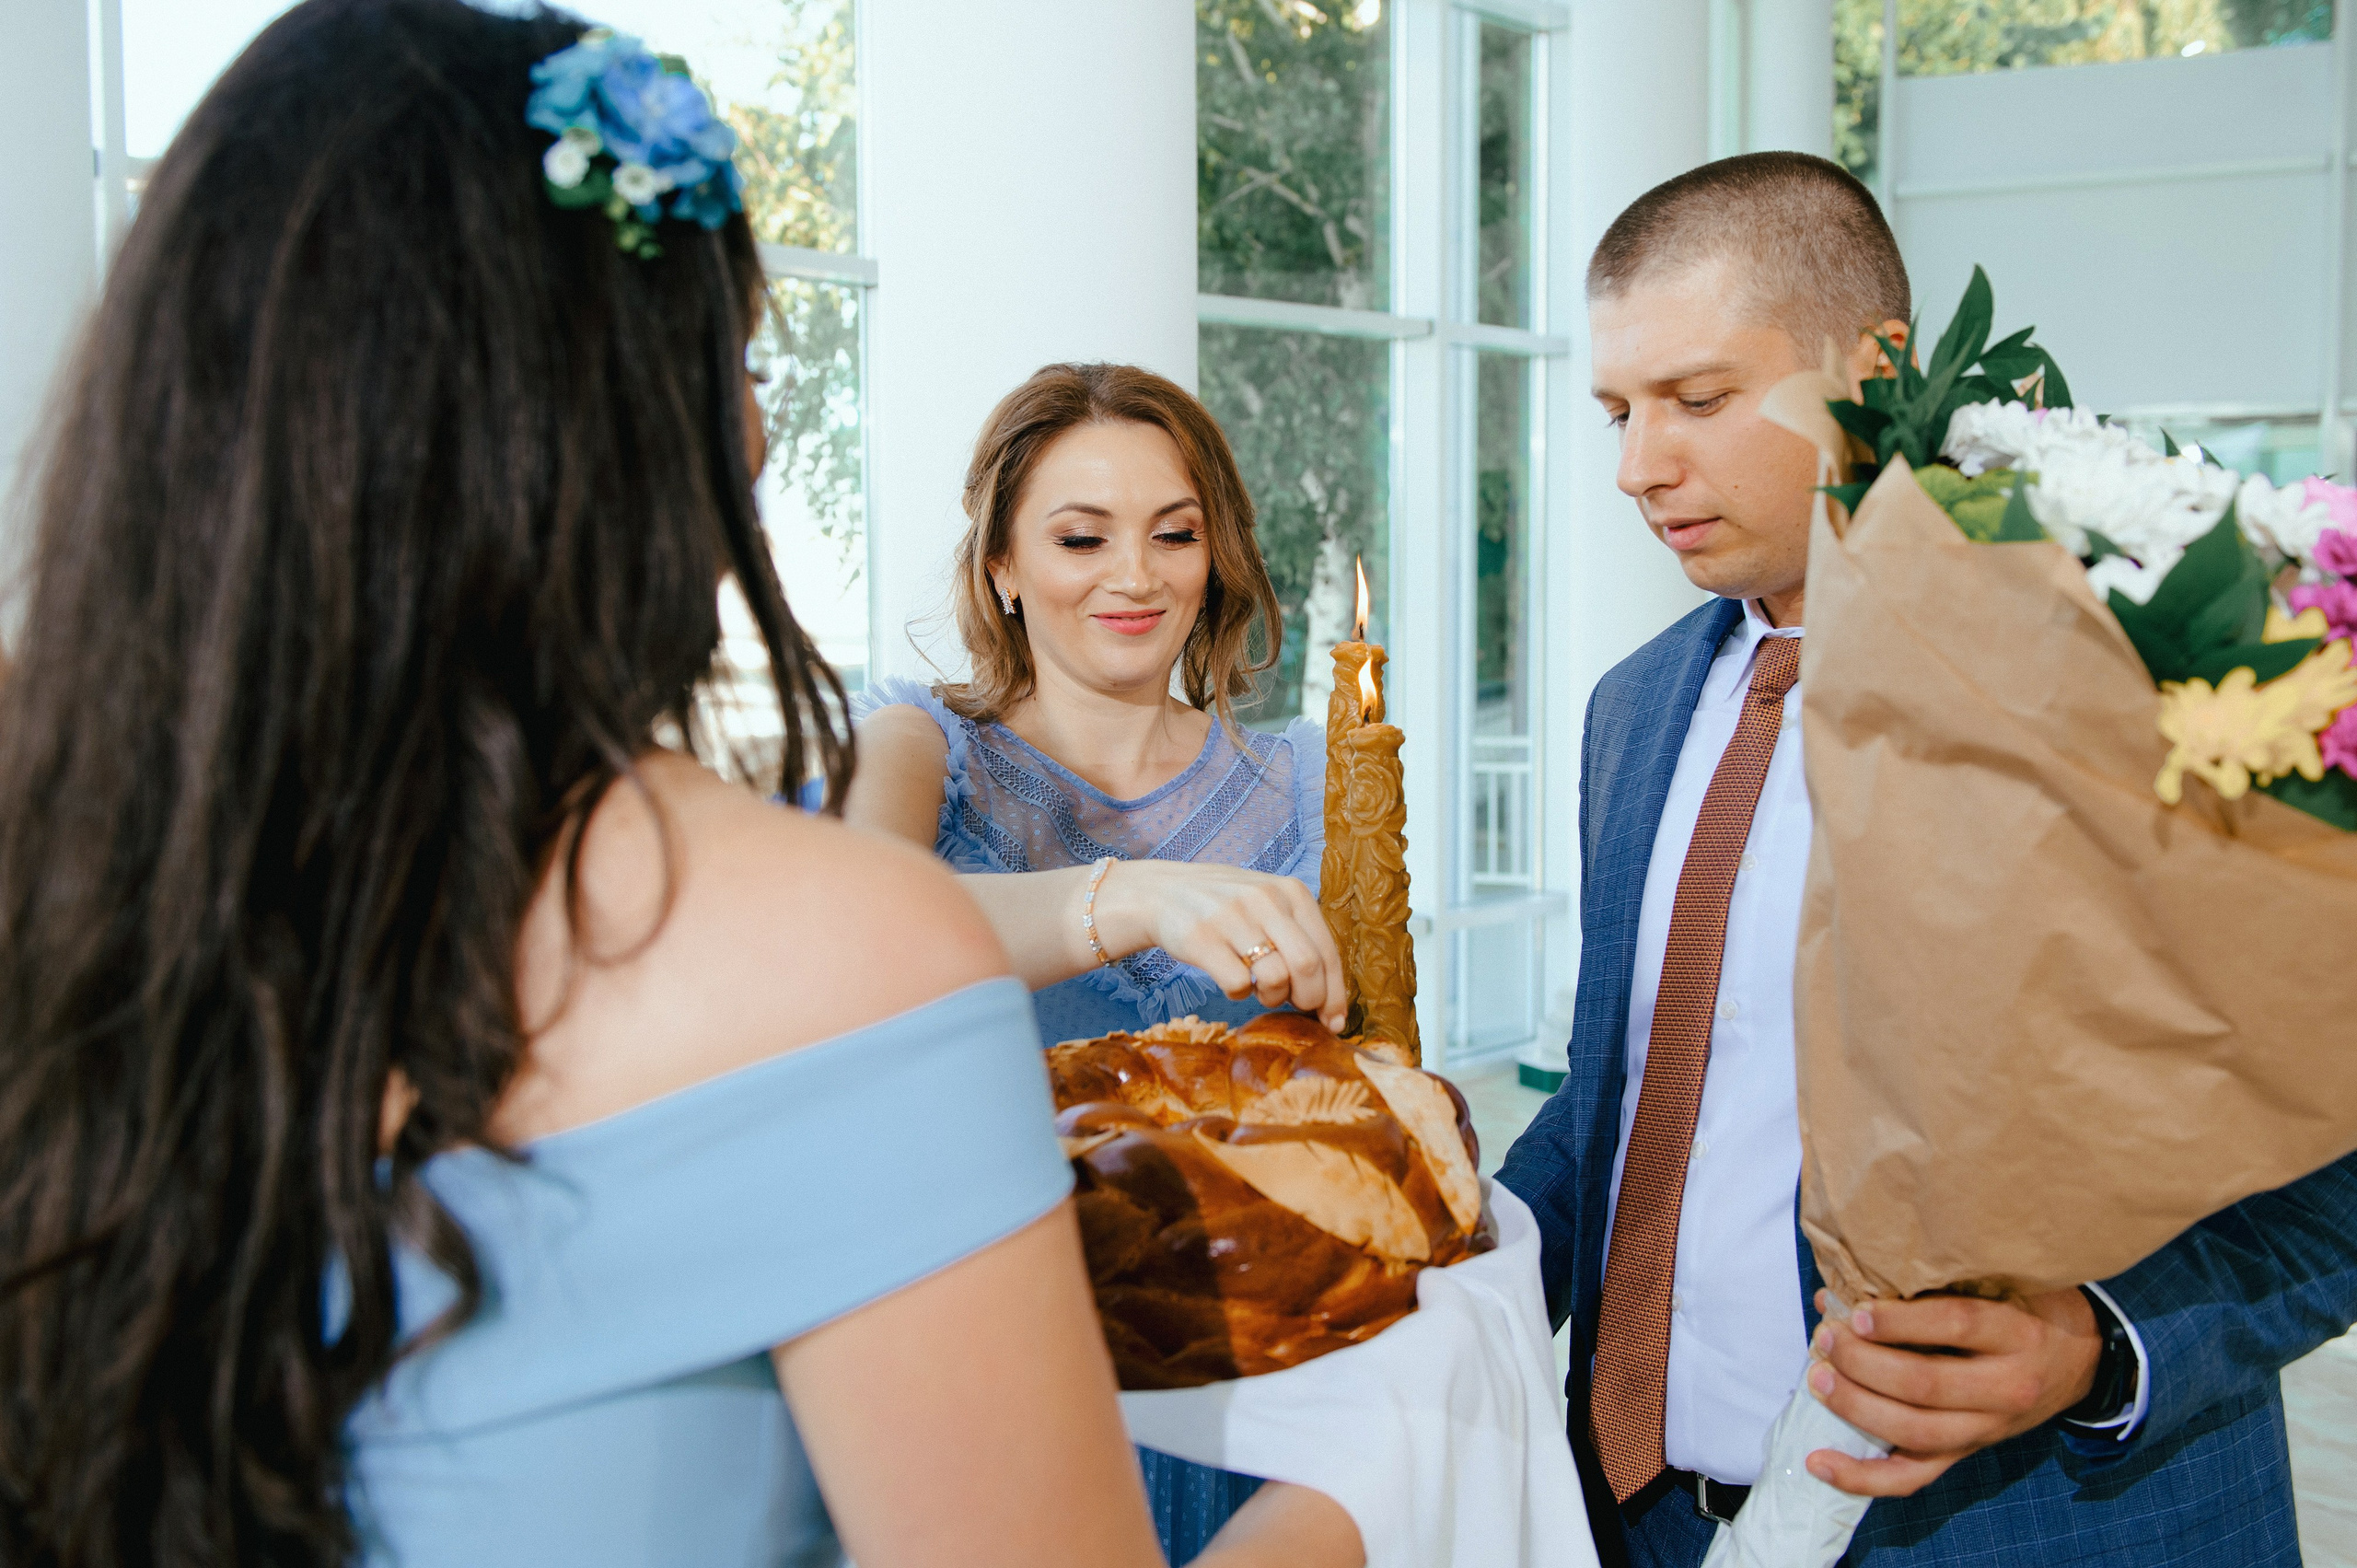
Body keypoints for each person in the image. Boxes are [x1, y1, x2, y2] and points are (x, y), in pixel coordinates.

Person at [0, 6, 1363, 1568]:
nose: (762, 422)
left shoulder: (69, 878)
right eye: (739, 362)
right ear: (639, 427)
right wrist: (1373, 1497)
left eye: (1175, 531)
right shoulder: (847, 931)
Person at [1495, 150, 2357, 1568]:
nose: (1640, 464)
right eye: (1618, 411)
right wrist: (1431, 1264)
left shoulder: (2123, 669)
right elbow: (1628, 1102)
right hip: (1647, 1521)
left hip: (2035, 1527)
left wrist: (2104, 1346)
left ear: (1878, 363)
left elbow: (2315, 1120)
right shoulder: (1633, 710)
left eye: (1701, 400)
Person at [845, 362, 1342, 1563]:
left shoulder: (1317, 781)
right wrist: (1129, 898)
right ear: (1003, 567)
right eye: (1082, 537)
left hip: (1261, 1402)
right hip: (1001, 1387)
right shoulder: (920, 743)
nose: (1135, 576)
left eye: (1175, 534)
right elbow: (865, 931)